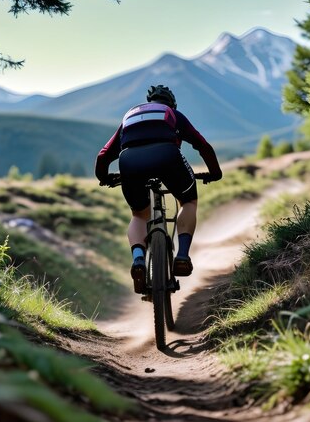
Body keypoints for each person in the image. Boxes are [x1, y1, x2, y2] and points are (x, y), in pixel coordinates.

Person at [95, 85, 222, 293]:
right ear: (171, 103)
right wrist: (215, 173)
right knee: (188, 201)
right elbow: (202, 145)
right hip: (167, 156)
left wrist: (105, 178)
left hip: (129, 162)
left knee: (139, 214)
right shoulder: (172, 113)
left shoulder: (130, 116)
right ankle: (182, 255)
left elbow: (104, 155)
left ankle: (138, 260)